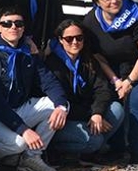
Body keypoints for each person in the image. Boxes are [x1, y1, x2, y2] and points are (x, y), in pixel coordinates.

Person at [0, 6, 69, 171]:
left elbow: (49, 81)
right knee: (19, 142)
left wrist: (61, 106)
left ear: (23, 28)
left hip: (18, 108)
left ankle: (31, 157)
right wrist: (23, 129)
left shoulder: (27, 52)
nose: (13, 27)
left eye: (18, 24)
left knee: (57, 106)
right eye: (7, 23)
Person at [81, 0, 138, 164]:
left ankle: (136, 154)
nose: (113, 1)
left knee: (137, 102)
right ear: (97, 2)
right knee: (111, 99)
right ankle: (115, 149)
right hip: (112, 67)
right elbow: (98, 56)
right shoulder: (91, 22)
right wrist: (116, 80)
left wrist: (130, 81)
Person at [43, 19, 125, 159]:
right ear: (61, 40)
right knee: (95, 141)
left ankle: (87, 152)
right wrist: (91, 115)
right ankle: (59, 152)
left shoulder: (89, 60)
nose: (75, 42)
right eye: (69, 39)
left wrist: (97, 113)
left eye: (79, 38)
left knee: (116, 109)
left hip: (86, 114)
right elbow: (63, 101)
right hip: (65, 120)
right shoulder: (52, 64)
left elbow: (102, 89)